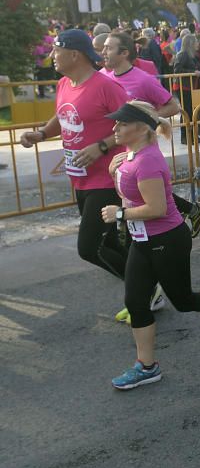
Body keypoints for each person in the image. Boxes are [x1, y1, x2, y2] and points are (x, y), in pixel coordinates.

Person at [99, 101, 200, 390]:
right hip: (142, 239)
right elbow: (132, 195)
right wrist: (113, 172)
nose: (114, 128)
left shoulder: (147, 161)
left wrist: (119, 214)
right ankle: (147, 366)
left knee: (183, 301)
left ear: (142, 127)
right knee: (135, 301)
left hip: (167, 240)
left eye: (121, 123)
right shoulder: (130, 154)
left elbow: (156, 208)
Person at [19, 29, 130, 314]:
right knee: (107, 242)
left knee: (88, 247)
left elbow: (138, 124)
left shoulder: (106, 87)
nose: (52, 56)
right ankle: (145, 285)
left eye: (56, 50)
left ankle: (145, 290)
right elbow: (63, 114)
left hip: (107, 176)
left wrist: (101, 147)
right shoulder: (64, 84)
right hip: (80, 178)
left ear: (74, 54)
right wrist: (42, 133)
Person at [100, 32, 200, 238]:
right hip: (114, 144)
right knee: (135, 192)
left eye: (108, 47)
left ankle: (167, 229)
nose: (103, 52)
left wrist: (144, 119)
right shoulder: (103, 77)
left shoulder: (142, 80)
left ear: (123, 53)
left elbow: (173, 106)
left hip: (139, 150)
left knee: (150, 193)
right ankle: (190, 211)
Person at [172, 33, 200, 144]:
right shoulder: (182, 54)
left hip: (191, 87)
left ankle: (193, 136)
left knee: (192, 112)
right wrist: (192, 72)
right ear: (191, 43)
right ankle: (186, 137)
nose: (198, 43)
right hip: (183, 87)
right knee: (187, 112)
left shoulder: (192, 55)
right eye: (196, 41)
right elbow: (177, 70)